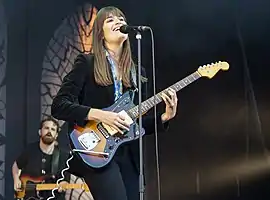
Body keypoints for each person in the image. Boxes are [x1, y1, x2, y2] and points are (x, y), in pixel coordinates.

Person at [51, 6, 178, 200]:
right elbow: (59, 106)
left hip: (128, 153)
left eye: (121, 18)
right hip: (96, 151)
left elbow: (135, 124)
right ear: (100, 34)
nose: (118, 21)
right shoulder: (87, 63)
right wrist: (102, 115)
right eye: (110, 20)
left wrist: (164, 117)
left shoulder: (138, 73)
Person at [12, 117, 70, 200]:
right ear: (40, 132)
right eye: (46, 128)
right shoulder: (30, 150)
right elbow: (16, 165)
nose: (49, 132)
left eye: (53, 129)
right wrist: (16, 179)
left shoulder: (64, 156)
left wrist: (64, 184)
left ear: (56, 135)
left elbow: (65, 180)